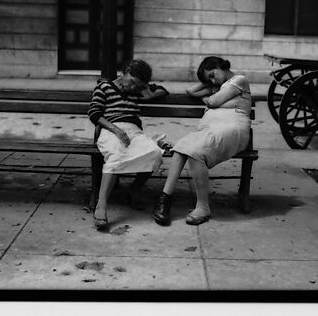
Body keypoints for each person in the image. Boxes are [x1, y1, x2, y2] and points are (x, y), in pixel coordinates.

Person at [152, 56, 252, 226]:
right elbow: (190, 92)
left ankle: (202, 206)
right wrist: (207, 82)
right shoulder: (217, 88)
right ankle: (165, 198)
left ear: (222, 66)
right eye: (209, 78)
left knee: (195, 152)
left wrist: (209, 96)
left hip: (232, 129)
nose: (212, 80)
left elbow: (213, 102)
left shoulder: (239, 80)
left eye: (213, 74)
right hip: (210, 130)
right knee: (181, 147)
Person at [88, 59, 167, 232]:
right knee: (116, 155)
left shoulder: (137, 90)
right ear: (124, 72)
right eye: (131, 82)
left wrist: (146, 90)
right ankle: (101, 205)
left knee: (154, 152)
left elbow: (162, 90)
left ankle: (134, 189)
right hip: (110, 129)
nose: (131, 87)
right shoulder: (104, 87)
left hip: (133, 130)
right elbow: (94, 113)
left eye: (136, 85)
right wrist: (115, 129)